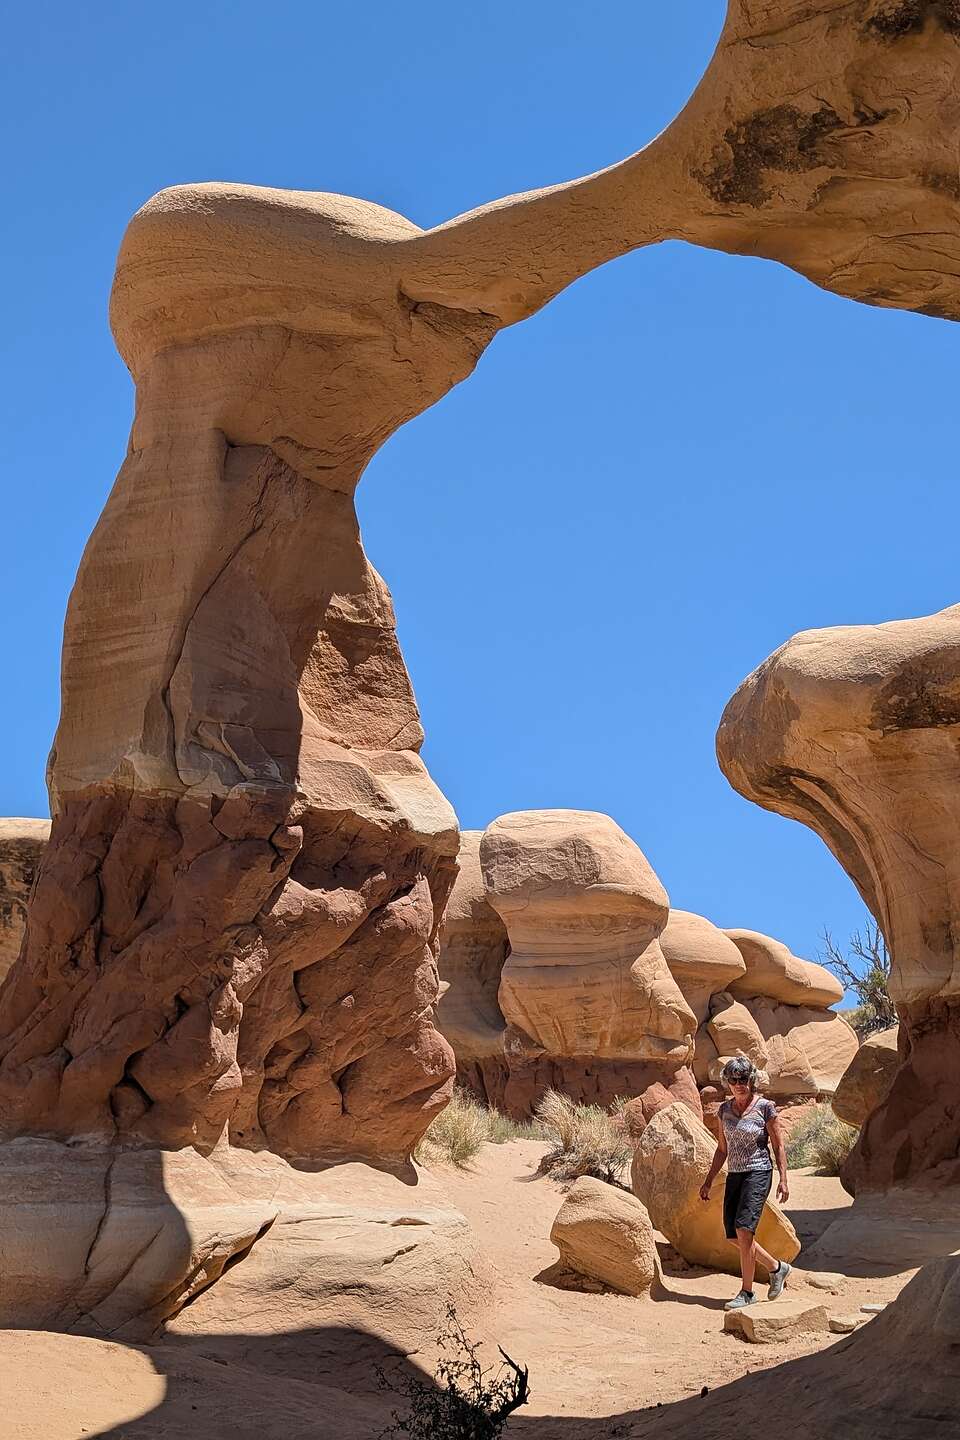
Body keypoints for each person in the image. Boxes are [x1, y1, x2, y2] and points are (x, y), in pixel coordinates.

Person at [698, 1055, 792, 1310]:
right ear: (727, 1082)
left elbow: (779, 1145)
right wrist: (708, 1181)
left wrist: (783, 1178)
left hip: (759, 1172)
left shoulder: (766, 1107)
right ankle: (777, 1267)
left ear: (751, 1080)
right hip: (735, 1174)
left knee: (744, 1230)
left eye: (743, 1079)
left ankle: (747, 1292)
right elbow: (721, 1149)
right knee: (733, 1235)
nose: (739, 1084)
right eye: (734, 1080)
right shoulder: (724, 1111)